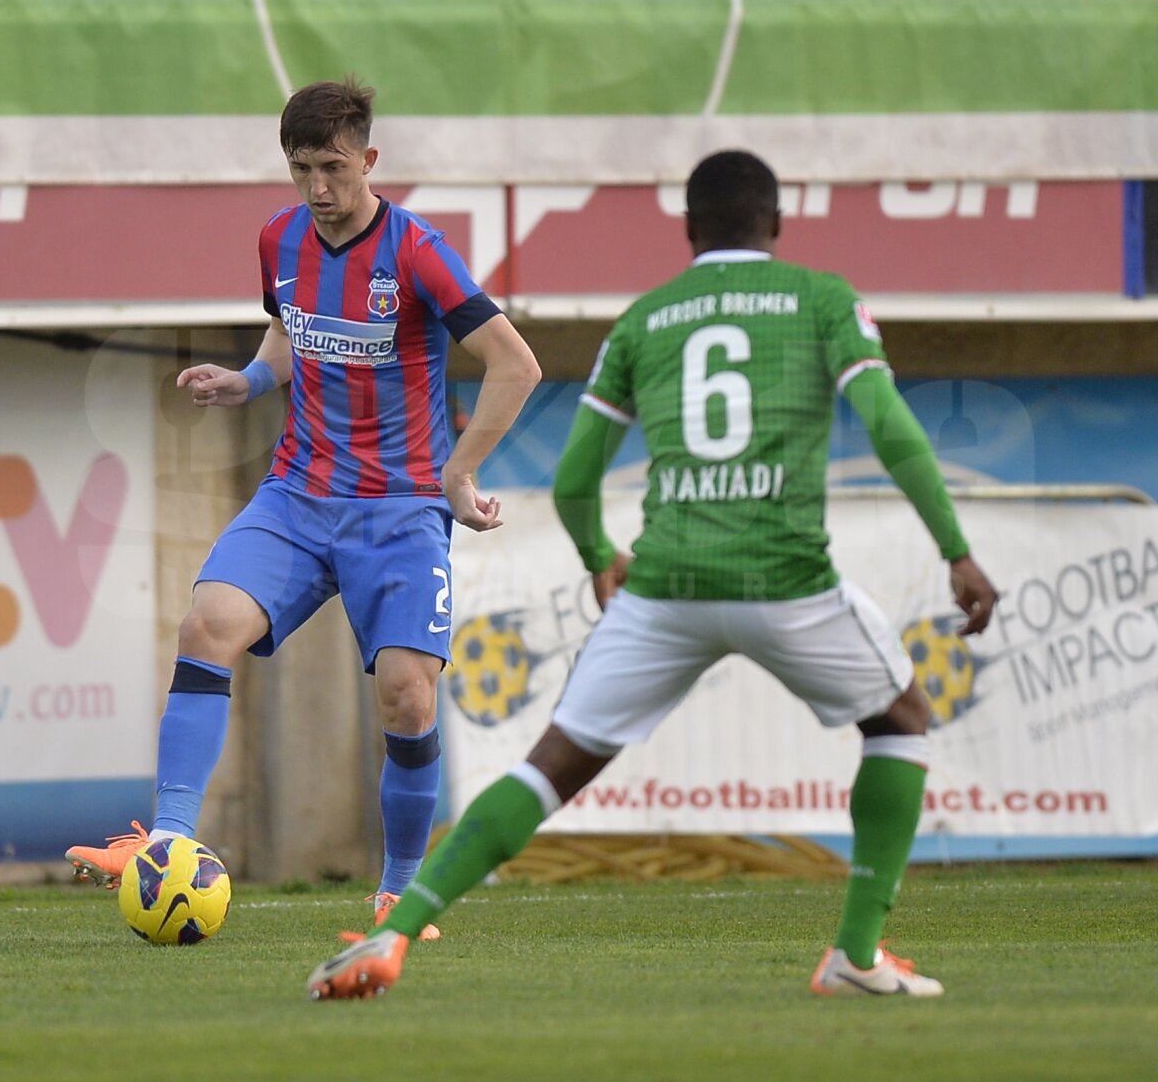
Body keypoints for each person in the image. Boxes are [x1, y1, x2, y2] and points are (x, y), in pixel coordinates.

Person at [305, 148, 997, 1000]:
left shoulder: (646, 319)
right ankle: (855, 954)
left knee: (547, 768)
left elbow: (574, 480)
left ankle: (393, 934)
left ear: (688, 228)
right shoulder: (823, 299)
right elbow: (890, 426)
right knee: (901, 718)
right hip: (785, 579)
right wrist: (956, 549)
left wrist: (602, 557)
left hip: (664, 587)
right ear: (778, 222)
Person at [65, 78, 542, 935]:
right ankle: (166, 841)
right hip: (298, 493)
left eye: (333, 167)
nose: (318, 188)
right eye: (300, 169)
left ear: (369, 159)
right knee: (206, 626)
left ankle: (400, 892)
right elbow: (290, 331)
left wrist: (458, 473)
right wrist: (248, 380)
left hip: (399, 507)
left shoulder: (418, 252)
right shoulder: (279, 238)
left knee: (409, 697)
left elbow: (516, 364)